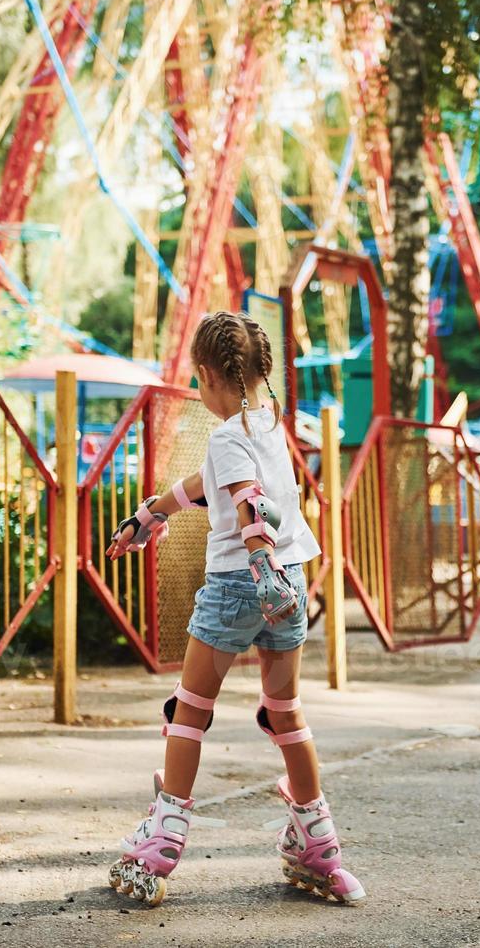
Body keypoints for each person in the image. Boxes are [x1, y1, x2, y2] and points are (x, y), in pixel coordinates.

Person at [103, 311, 365, 907]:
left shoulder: (225, 435)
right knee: (283, 714)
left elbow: (246, 500)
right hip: (291, 582)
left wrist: (259, 560)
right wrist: (152, 514)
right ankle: (318, 844)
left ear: (207, 375)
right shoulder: (269, 425)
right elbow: (211, 481)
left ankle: (161, 840)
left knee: (188, 711)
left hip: (243, 582)